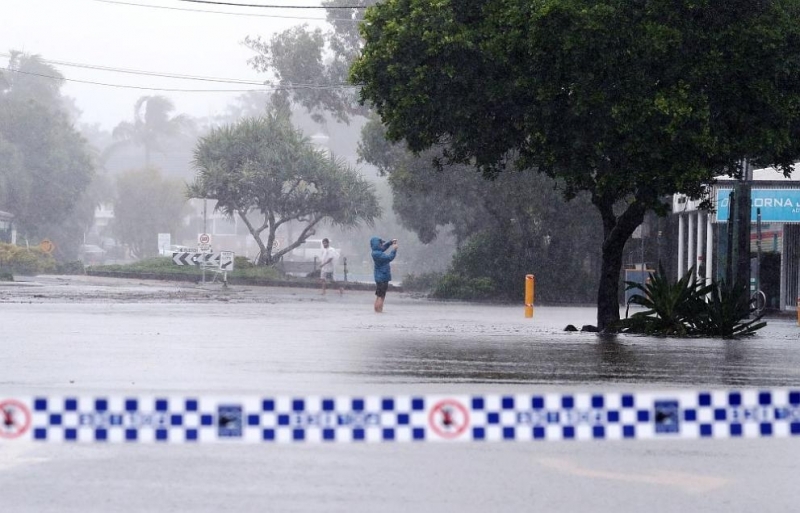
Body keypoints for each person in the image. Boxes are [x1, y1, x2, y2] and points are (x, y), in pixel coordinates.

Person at [370, 236, 398, 313]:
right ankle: (379, 311)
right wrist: (394, 249)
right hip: (382, 277)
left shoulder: (376, 251)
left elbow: (384, 248)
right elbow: (389, 258)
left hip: (381, 277)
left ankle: (378, 311)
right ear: (377, 245)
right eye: (381, 244)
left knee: (380, 295)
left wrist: (390, 243)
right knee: (381, 296)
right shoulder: (377, 254)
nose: (382, 245)